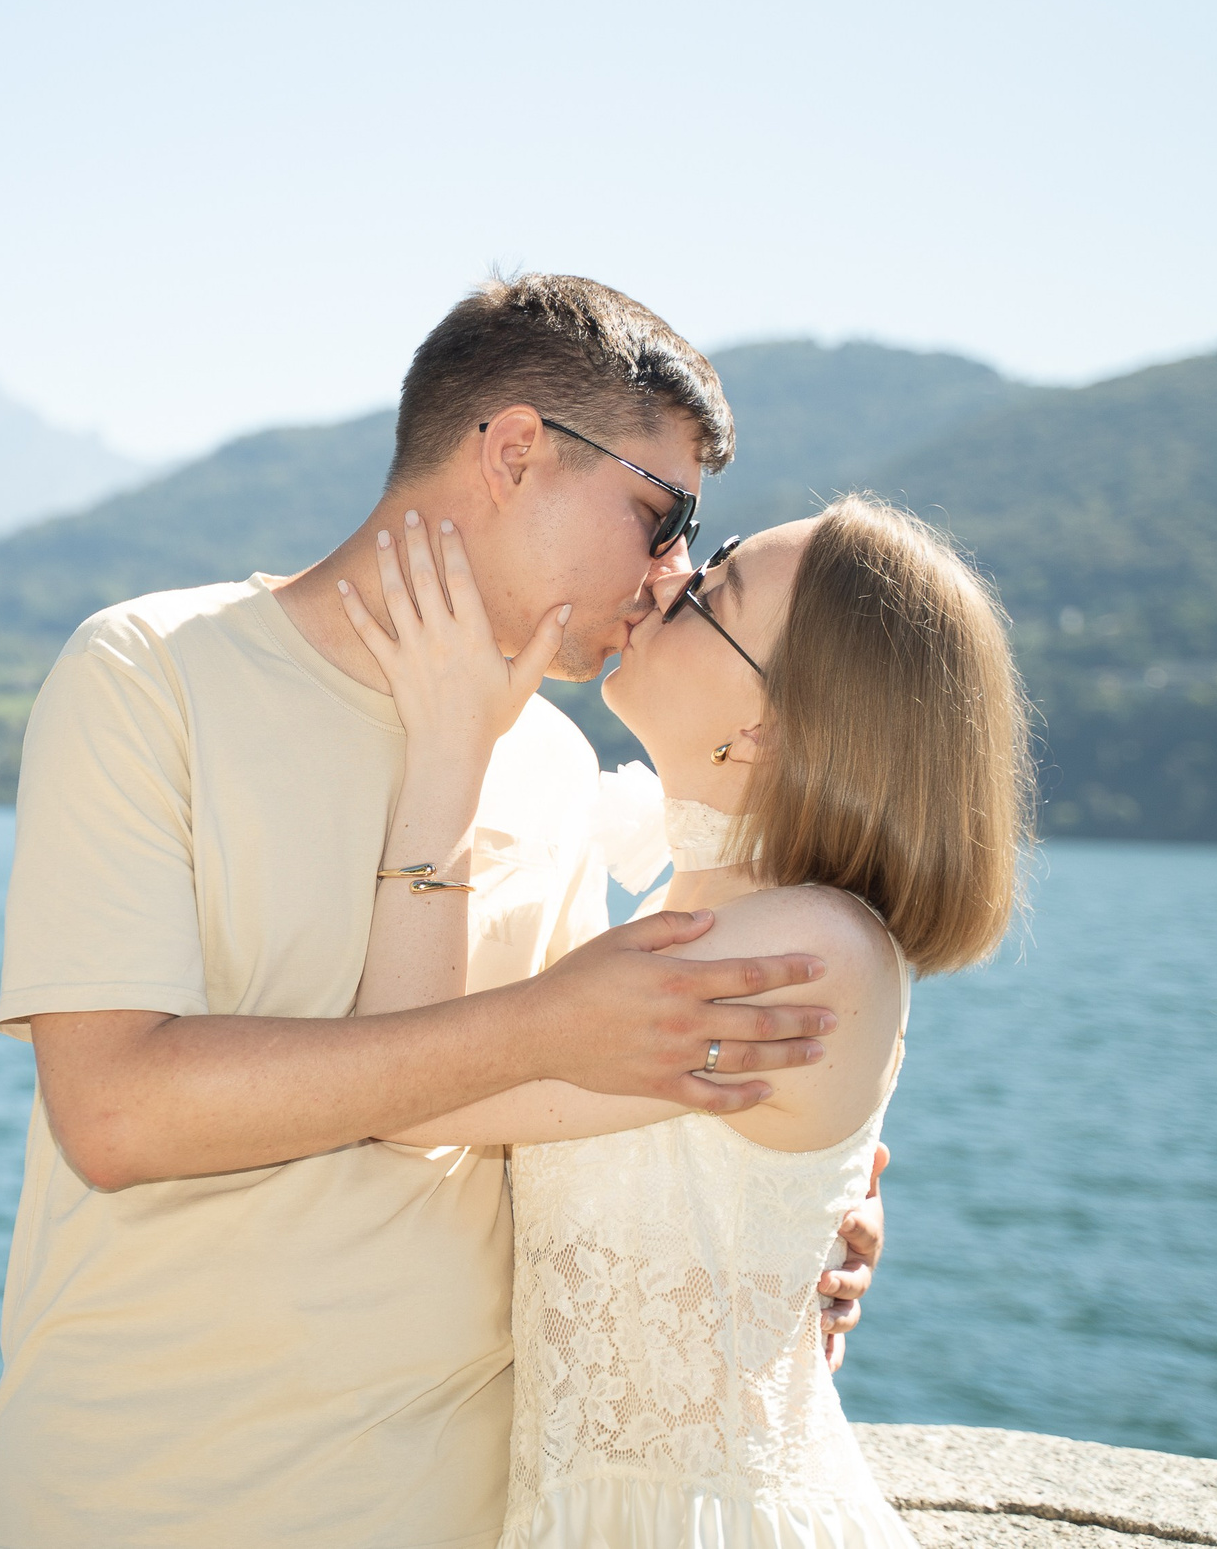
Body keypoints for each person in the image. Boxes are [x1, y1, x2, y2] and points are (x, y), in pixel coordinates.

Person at [0, 276, 886, 1548]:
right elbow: (116, 1113)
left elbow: (564, 1114)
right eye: (660, 513)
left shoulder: (551, 762)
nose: (671, 571)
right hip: (146, 1499)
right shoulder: (147, 676)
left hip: (463, 1512)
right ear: (515, 453)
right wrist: (543, 1028)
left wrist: (783, 1216)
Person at [340, 497, 1030, 1546]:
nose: (668, 574)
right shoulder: (723, 917)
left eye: (713, 589)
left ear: (768, 728)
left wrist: (448, 748)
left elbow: (403, 1088)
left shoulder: (802, 953)